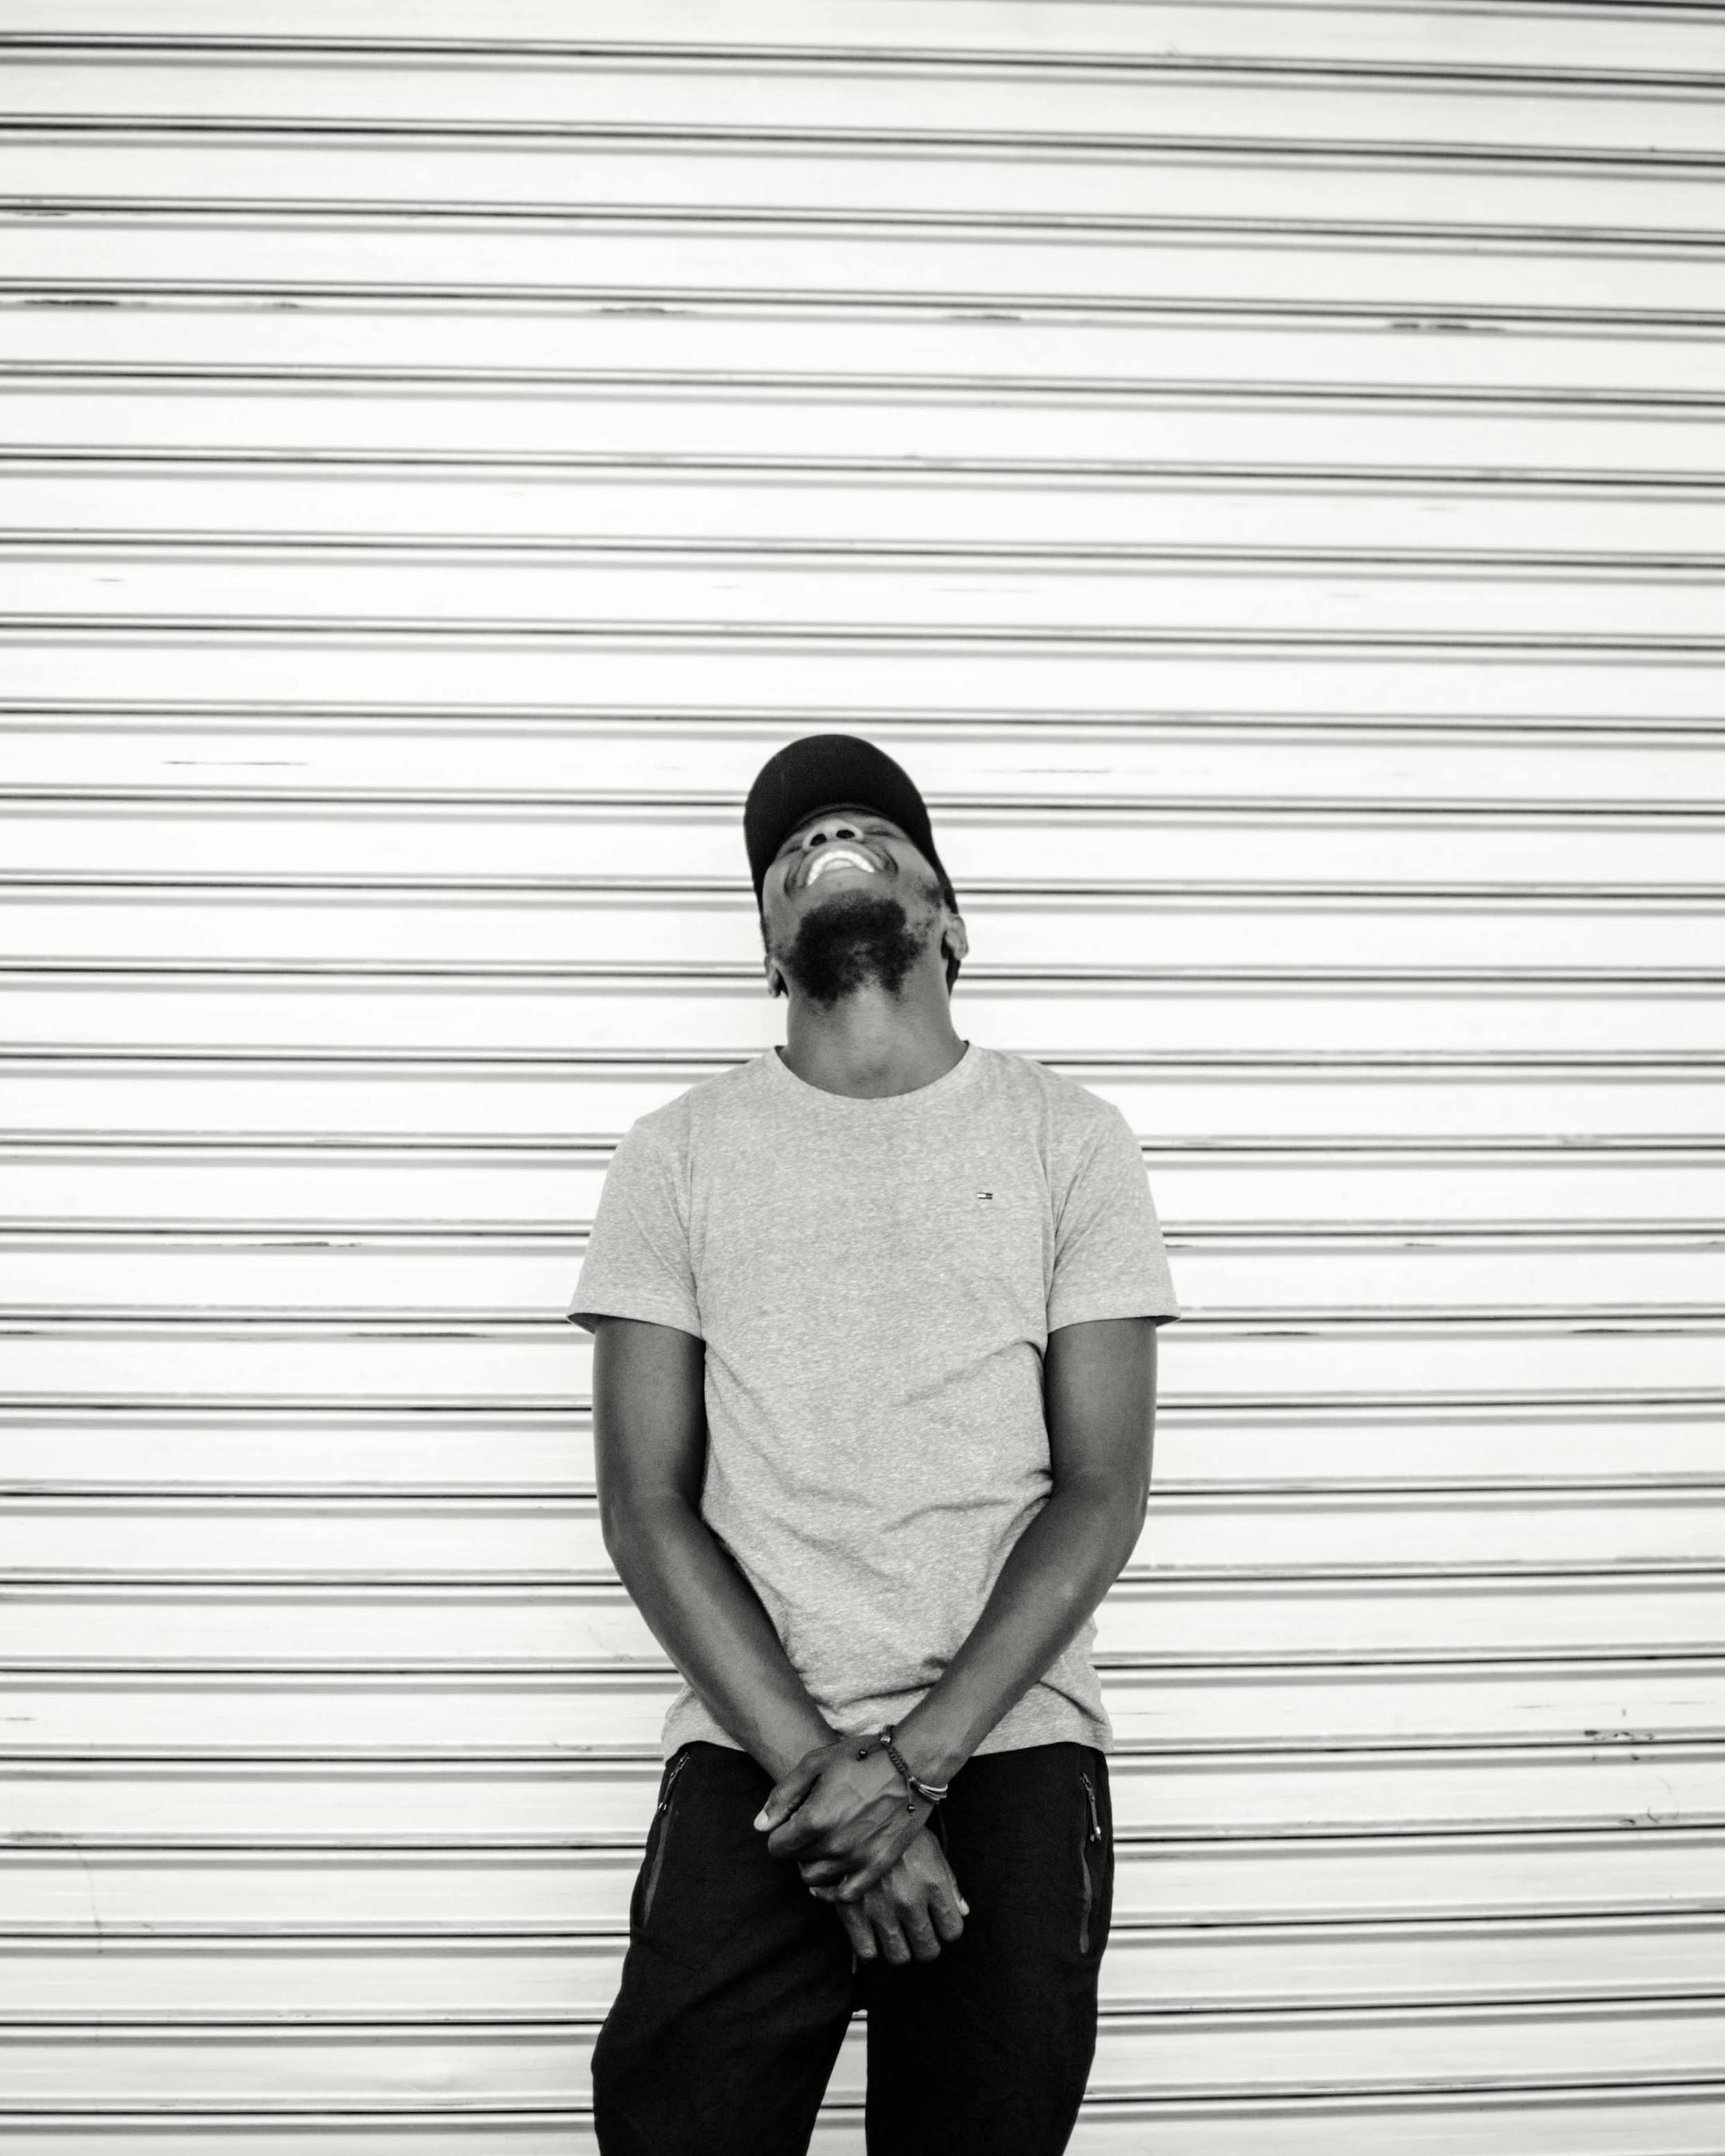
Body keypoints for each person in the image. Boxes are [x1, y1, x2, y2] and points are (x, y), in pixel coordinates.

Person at [567, 733, 1180, 2155]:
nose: (820, 842)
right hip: (755, 1755)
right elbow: (646, 1506)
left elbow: (1101, 1488)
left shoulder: (1072, 1139)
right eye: (787, 849)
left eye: (870, 830)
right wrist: (827, 1783)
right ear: (765, 951)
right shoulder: (674, 1153)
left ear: (953, 922)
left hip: (1010, 1744)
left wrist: (911, 1771)